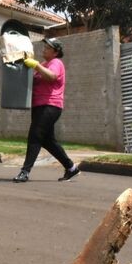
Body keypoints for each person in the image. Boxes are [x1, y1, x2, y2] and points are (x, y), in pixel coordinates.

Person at [13, 37, 80, 183]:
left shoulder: (56, 63)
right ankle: (71, 168)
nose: (44, 49)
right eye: (44, 46)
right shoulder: (44, 64)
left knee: (35, 136)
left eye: (48, 47)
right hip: (39, 106)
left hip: (50, 105)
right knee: (48, 141)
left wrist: (36, 65)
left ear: (56, 52)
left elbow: (52, 77)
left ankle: (25, 171)